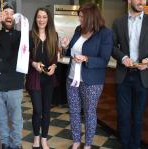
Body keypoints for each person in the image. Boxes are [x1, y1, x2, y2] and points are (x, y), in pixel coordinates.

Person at [60, 3, 113, 149]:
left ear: (91, 16)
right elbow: (70, 51)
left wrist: (86, 58)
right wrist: (65, 47)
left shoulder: (105, 33)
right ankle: (76, 141)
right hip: (72, 78)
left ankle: (88, 144)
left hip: (92, 82)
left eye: (82, 16)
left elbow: (104, 59)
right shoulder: (78, 30)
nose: (80, 19)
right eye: (79, 16)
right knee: (74, 111)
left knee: (89, 112)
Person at [112, 0, 148, 148]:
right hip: (124, 75)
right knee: (123, 116)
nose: (142, 1)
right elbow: (112, 46)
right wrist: (123, 58)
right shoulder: (118, 22)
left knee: (138, 117)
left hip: (143, 76)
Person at [0, 3, 24, 149]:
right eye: (5, 13)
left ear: (15, 18)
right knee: (1, 118)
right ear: (1, 17)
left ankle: (16, 144)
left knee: (16, 119)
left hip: (14, 83)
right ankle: (5, 144)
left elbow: (30, 48)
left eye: (11, 13)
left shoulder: (21, 35)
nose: (8, 16)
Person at [25, 7, 58, 149]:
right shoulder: (29, 35)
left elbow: (55, 57)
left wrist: (54, 66)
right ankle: (36, 138)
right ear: (35, 18)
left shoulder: (54, 35)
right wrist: (33, 63)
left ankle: (44, 139)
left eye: (44, 17)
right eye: (39, 17)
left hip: (49, 79)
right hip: (34, 78)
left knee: (46, 110)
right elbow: (24, 57)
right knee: (37, 110)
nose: (41, 20)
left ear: (48, 19)